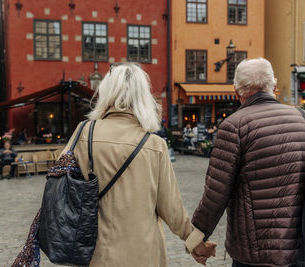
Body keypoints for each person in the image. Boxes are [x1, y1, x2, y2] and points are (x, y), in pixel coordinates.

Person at [60, 63, 216, 267]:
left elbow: (60, 186)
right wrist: (196, 242)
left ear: (106, 93)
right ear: (144, 98)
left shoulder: (83, 134)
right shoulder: (154, 145)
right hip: (144, 254)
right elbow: (171, 208)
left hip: (94, 253)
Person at [189, 58, 305, 267]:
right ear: (274, 85)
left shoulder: (234, 126)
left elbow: (215, 193)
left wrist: (196, 239)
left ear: (236, 91)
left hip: (255, 253)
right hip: (304, 249)